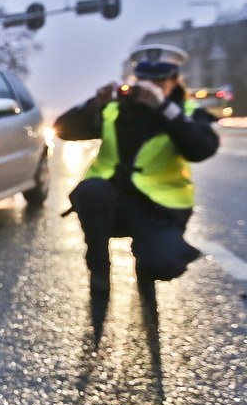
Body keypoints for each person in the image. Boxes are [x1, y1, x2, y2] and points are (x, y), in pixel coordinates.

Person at [54, 44, 219, 295]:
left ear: (175, 82)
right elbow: (63, 129)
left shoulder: (183, 113)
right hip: (113, 203)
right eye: (144, 79)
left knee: (164, 263)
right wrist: (94, 104)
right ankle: (98, 266)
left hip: (159, 209)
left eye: (159, 80)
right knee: (90, 190)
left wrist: (163, 107)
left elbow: (202, 149)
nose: (150, 86)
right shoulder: (115, 109)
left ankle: (147, 263)